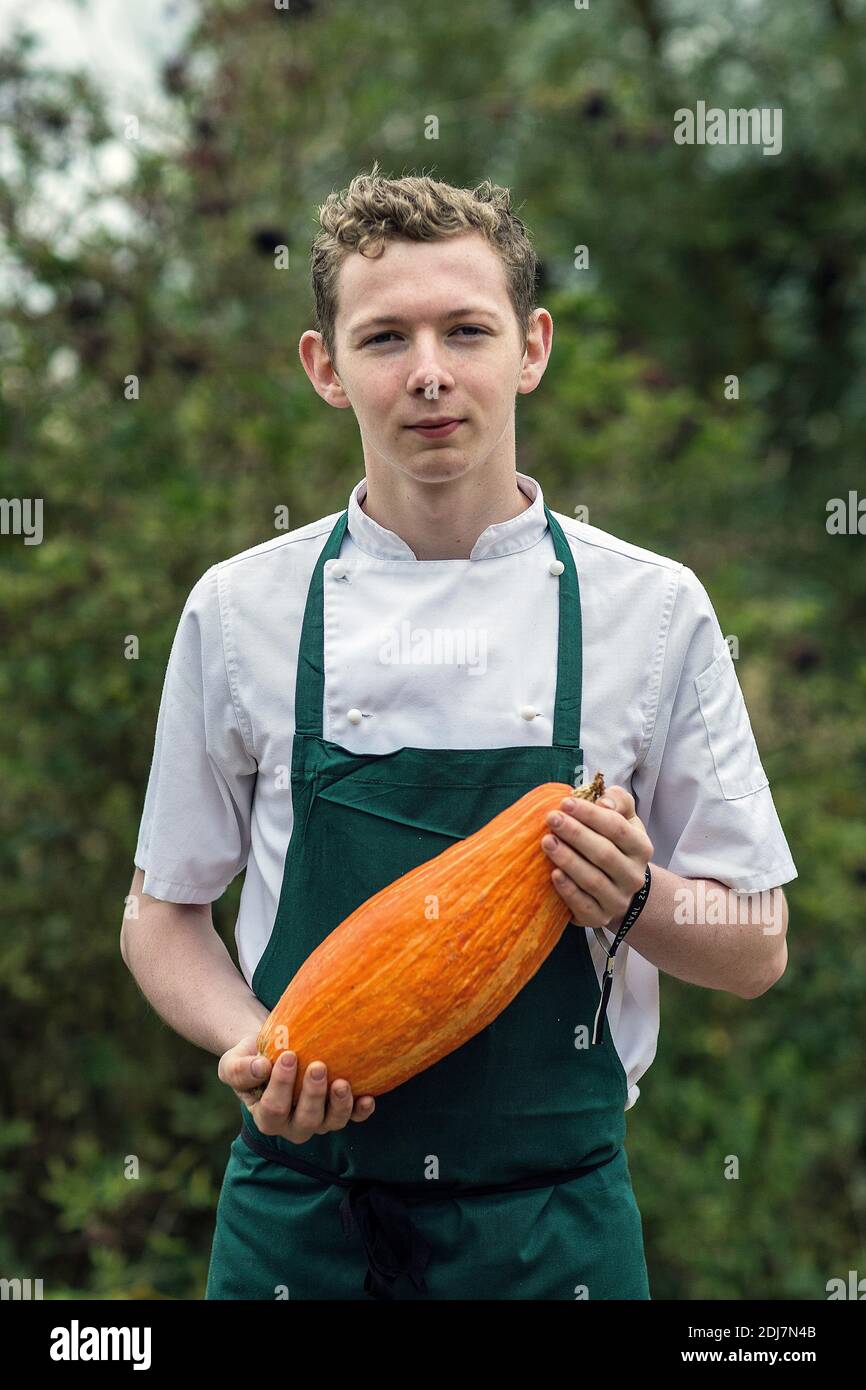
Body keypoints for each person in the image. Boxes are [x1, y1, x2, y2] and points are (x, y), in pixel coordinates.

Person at [121, 166, 797, 1301]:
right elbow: (162, 909)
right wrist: (255, 1046)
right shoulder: (239, 611)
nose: (429, 372)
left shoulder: (653, 607)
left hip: (550, 1233)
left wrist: (637, 897)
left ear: (528, 348)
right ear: (325, 368)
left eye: (465, 329)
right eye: (385, 337)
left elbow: (757, 944)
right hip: (301, 1217)